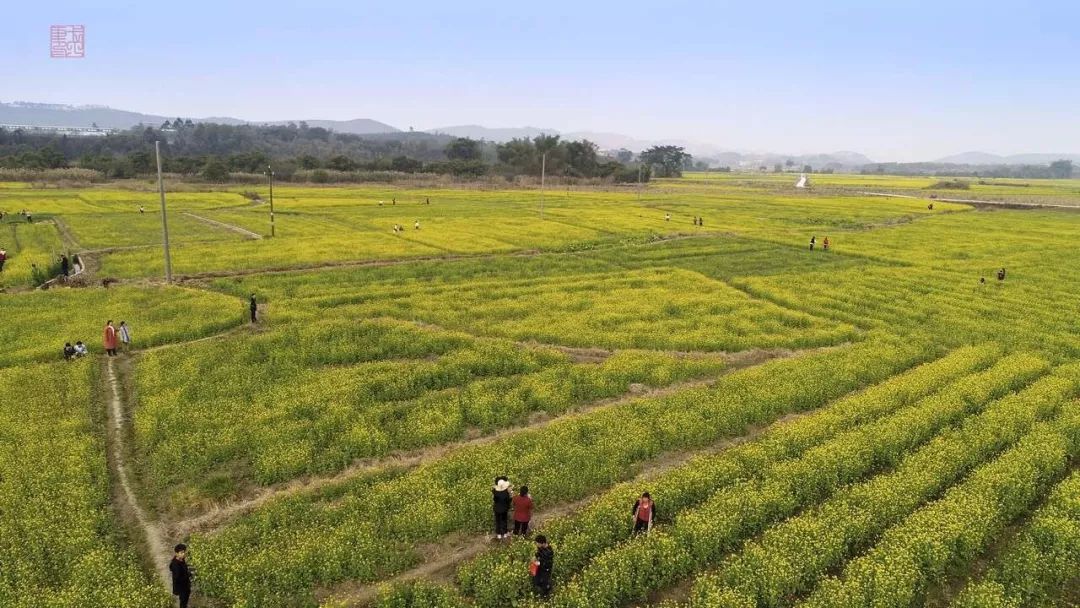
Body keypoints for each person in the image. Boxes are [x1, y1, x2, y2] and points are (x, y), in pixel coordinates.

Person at [169, 543, 192, 608]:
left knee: (185, 602)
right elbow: (177, 578)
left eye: (184, 552)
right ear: (176, 553)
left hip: (185, 586)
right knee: (183, 603)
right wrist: (188, 575)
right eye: (181, 553)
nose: (183, 554)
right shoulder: (175, 565)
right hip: (182, 587)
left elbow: (184, 568)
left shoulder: (181, 560)